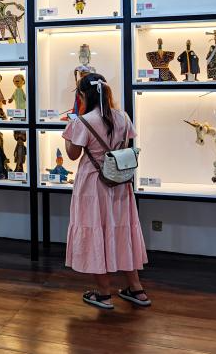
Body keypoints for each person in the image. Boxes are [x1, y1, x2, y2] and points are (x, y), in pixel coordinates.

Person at [63, 73, 149, 310]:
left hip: (93, 184)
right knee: (122, 230)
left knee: (95, 232)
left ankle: (104, 294)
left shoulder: (83, 122)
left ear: (82, 95)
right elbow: (124, 145)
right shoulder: (122, 117)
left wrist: (68, 132)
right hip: (119, 182)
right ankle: (137, 289)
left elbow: (72, 154)